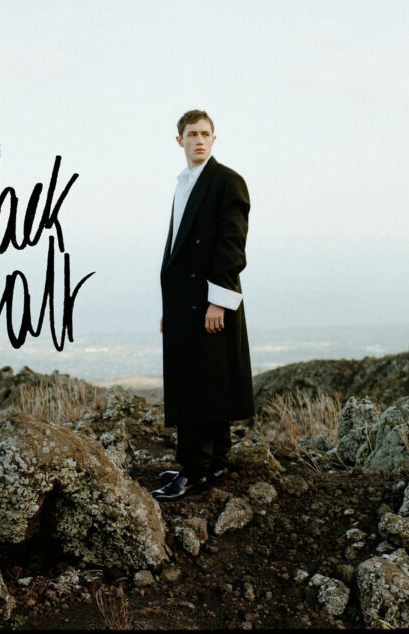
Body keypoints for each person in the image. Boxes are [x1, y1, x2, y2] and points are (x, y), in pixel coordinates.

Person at [153, 110, 255, 501]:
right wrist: (171, 308)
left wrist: (219, 301)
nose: (199, 140)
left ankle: (194, 470)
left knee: (202, 382)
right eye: (192, 134)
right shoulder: (184, 183)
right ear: (179, 141)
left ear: (214, 139)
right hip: (186, 302)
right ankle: (214, 463)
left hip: (212, 300)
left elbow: (232, 245)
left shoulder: (228, 181)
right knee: (205, 380)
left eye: (205, 134)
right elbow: (179, 252)